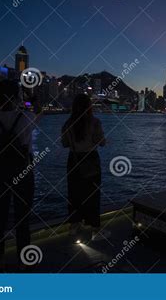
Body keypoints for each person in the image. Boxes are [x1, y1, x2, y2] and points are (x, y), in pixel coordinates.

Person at [0, 80, 42, 271]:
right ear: (15, 96)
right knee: (22, 220)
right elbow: (39, 111)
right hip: (23, 173)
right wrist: (29, 97)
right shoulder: (26, 117)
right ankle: (23, 262)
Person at [61, 94, 107, 242]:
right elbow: (101, 142)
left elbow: (65, 144)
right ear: (89, 106)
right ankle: (94, 229)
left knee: (74, 192)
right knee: (93, 193)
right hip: (90, 159)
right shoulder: (95, 122)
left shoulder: (68, 123)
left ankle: (74, 226)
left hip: (73, 160)